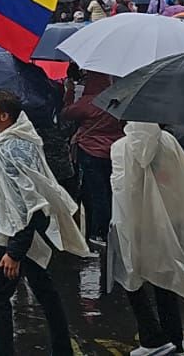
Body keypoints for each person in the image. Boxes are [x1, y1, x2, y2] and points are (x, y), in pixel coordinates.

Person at [0, 88, 91, 356]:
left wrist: (14, 252)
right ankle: (62, 348)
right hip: (17, 231)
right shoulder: (6, 134)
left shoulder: (13, 149)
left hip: (13, 234)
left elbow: (28, 204)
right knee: (44, 290)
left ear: (4, 116)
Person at [111, 122, 184, 356]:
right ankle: (174, 337)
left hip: (133, 224)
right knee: (166, 276)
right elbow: (183, 182)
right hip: (168, 221)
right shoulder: (168, 142)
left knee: (129, 276)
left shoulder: (120, 147)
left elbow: (121, 190)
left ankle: (151, 337)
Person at [63, 70, 123, 245]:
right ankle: (111, 230)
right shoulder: (118, 101)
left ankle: (99, 232)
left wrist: (70, 91)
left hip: (90, 152)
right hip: (114, 152)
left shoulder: (89, 101)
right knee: (111, 192)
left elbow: (66, 113)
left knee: (97, 194)